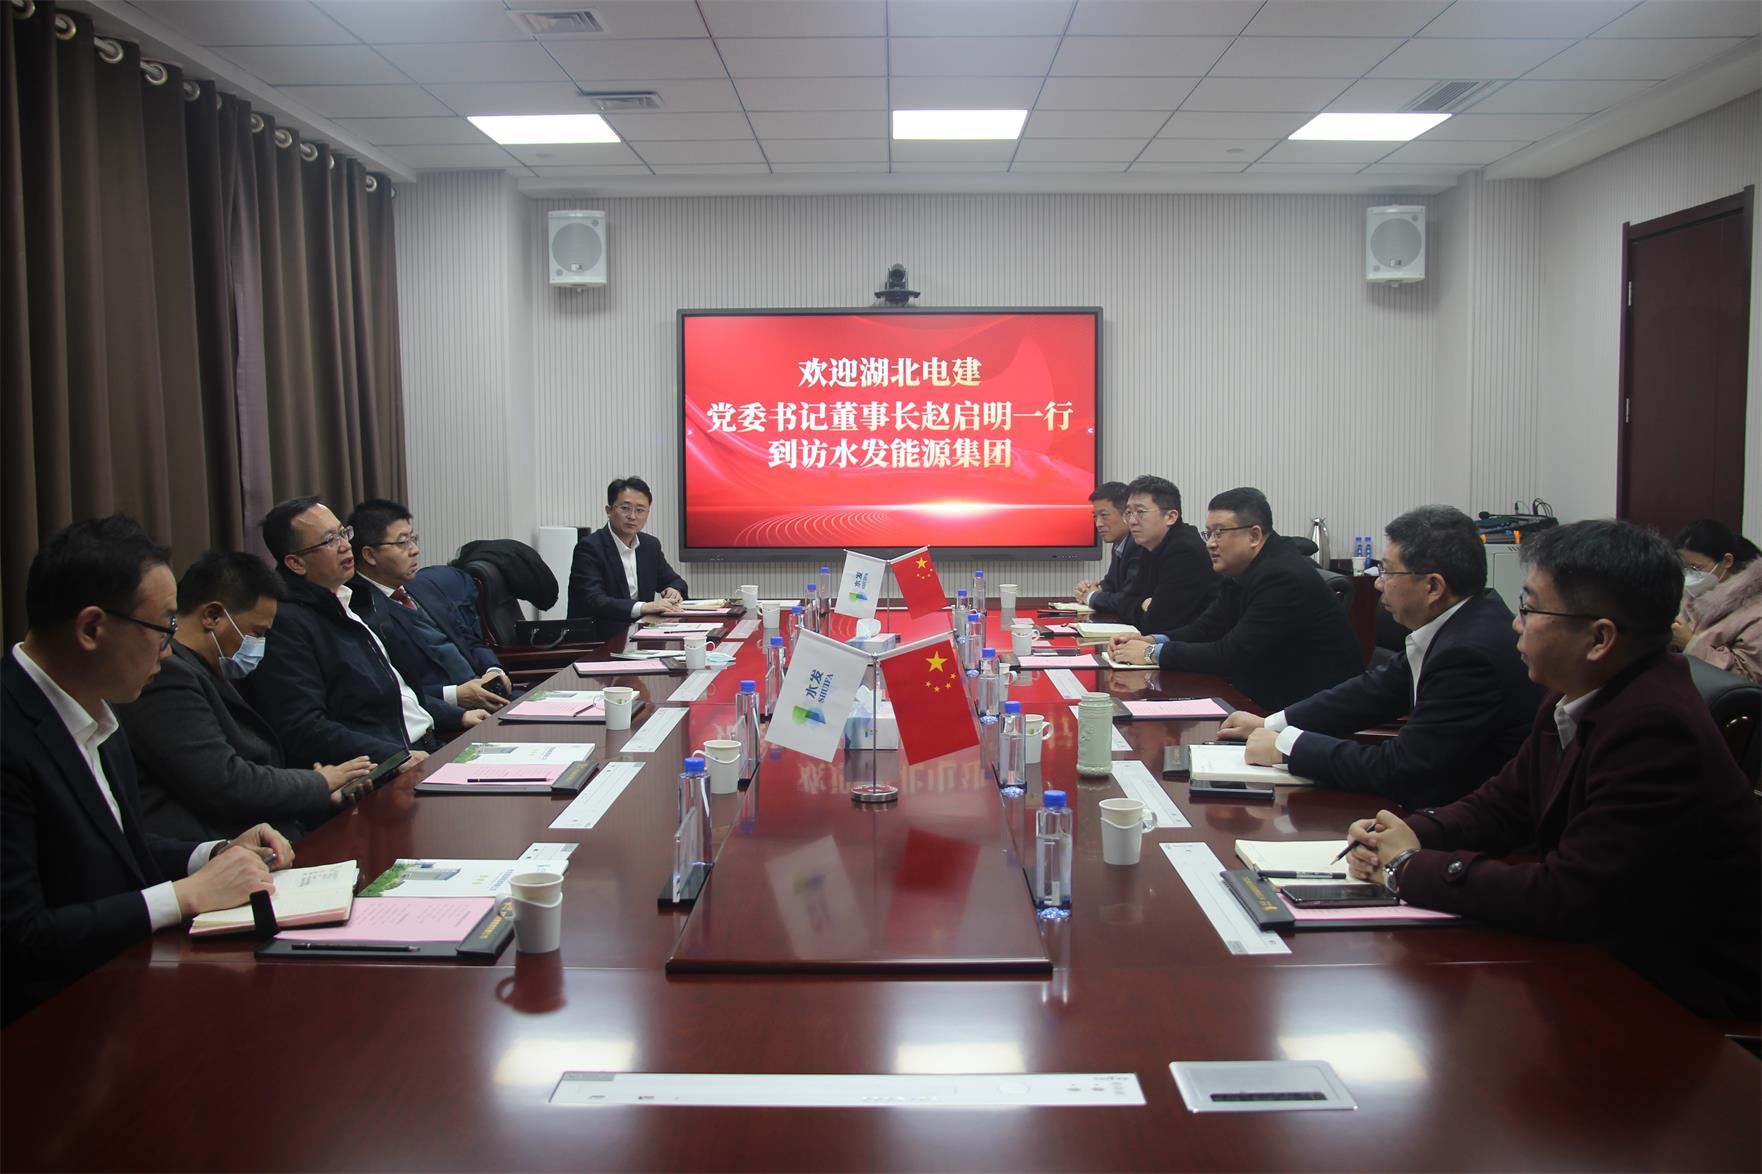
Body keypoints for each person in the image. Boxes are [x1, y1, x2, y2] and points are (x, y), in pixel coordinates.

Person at [1344, 520, 1760, 1020]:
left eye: (1530, 608)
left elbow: (1568, 896)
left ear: (1599, 638)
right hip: (1605, 954)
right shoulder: (1579, 694)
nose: (1515, 625)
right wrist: (1411, 832)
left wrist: (1408, 867)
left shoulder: (1656, 730)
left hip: (1676, 995)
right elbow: (1502, 804)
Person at [2, 517, 294, 1024]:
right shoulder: (11, 734)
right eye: (163, 629)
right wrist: (182, 897)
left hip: (124, 984)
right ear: (92, 629)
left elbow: (120, 848)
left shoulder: (100, 713)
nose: (169, 649)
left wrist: (214, 853)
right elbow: (19, 939)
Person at [1216, 506, 1544, 807]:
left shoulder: (1469, 654)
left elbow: (1401, 767)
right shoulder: (1459, 622)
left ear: (1433, 587)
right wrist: (1271, 723)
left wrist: (1288, 748)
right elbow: (1371, 692)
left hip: (1466, 824)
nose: (1378, 585)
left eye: (1387, 572)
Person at [116, 551, 373, 843]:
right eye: (257, 633)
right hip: (226, 848)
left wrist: (322, 795)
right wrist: (320, 782)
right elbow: (225, 783)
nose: (260, 645)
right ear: (212, 616)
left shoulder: (213, 671)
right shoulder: (168, 676)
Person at [247, 496, 479, 769]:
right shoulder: (286, 624)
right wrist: (394, 757)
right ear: (296, 563)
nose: (346, 545)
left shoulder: (352, 600)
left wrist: (458, 716)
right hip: (388, 768)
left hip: (430, 746)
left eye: (343, 533)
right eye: (330, 540)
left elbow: (396, 693)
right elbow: (303, 727)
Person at [1110, 487, 1362, 712]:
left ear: (1254, 536)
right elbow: (1206, 628)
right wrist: (1152, 640)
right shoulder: (1244, 568)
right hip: (1263, 695)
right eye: (1208, 534)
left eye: (1219, 533)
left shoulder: (1282, 576)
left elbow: (1229, 654)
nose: (1210, 544)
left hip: (1305, 711)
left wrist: (1150, 654)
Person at [347, 499, 510, 714]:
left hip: (490, 698)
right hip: (450, 716)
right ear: (369, 555)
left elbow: (469, 640)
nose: (414, 550)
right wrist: (455, 695)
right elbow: (388, 690)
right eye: (402, 543)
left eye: (413, 539)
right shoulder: (360, 610)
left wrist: (493, 670)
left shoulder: (424, 588)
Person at [567, 477, 689, 625]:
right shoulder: (590, 547)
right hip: (601, 632)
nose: (632, 516)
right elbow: (594, 600)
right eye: (625, 508)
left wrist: (673, 590)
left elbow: (675, 581)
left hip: (642, 631)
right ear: (609, 510)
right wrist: (644, 607)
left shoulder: (650, 545)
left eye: (640, 510)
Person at [1115, 475, 1217, 632]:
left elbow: (1155, 623)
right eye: (1128, 512)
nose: (1132, 521)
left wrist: (1141, 605)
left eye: (1140, 512)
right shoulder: (1152, 544)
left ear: (1170, 517)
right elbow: (1123, 602)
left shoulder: (1184, 552)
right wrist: (1143, 604)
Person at [1672, 519, 1762, 682]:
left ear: (1727, 561)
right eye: (1684, 567)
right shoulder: (1692, 596)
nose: (1688, 575)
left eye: (1696, 568)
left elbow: (1748, 677)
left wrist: (1690, 644)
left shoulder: (1756, 613)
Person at [1072, 481, 1139, 614]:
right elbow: (1111, 584)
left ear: (1127, 514)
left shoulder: (1138, 545)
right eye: (1095, 516)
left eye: (1104, 515)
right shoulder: (1119, 543)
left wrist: (1091, 596)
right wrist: (1092, 588)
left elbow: (1128, 600)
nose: (1098, 524)